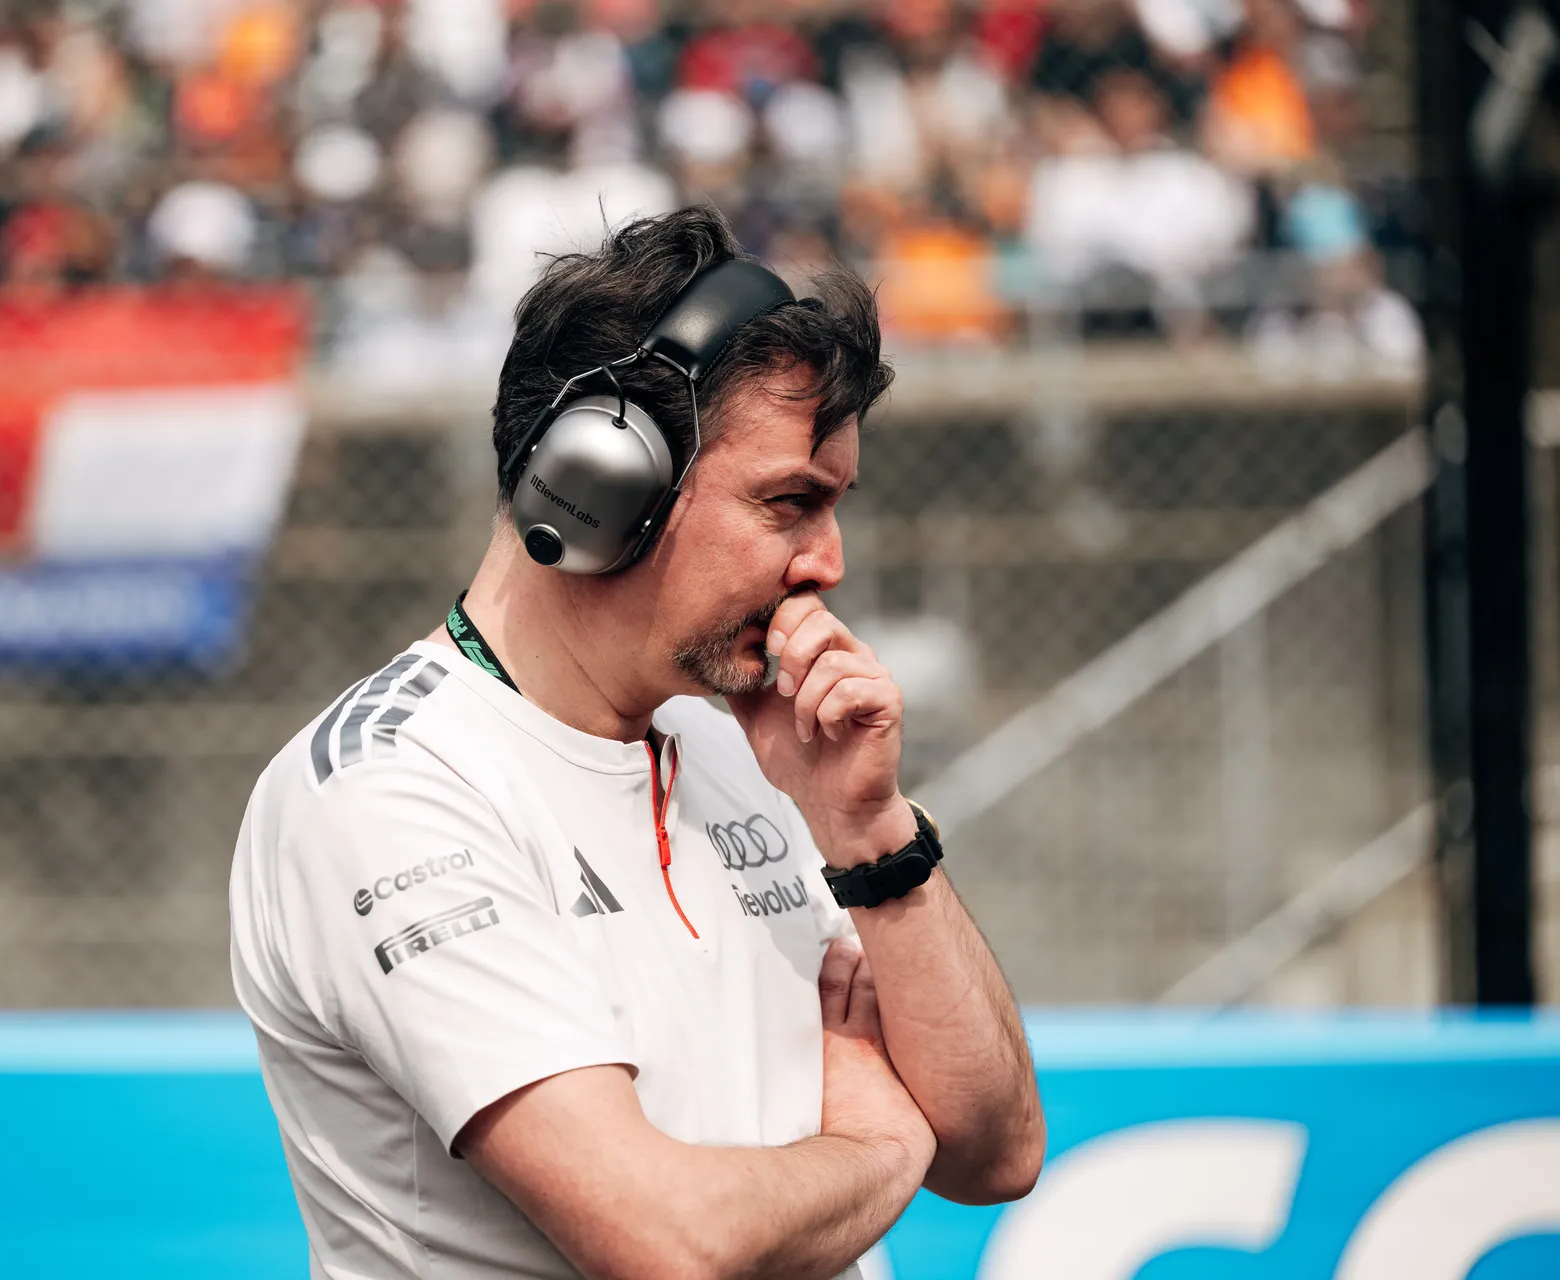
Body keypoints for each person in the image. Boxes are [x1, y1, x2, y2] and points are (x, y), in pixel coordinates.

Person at [228, 206, 1043, 1280]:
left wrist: (872, 833)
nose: (826, 563)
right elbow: (668, 1238)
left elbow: (998, 1148)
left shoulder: (744, 751)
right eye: (789, 502)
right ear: (602, 479)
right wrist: (884, 1142)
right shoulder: (388, 789)